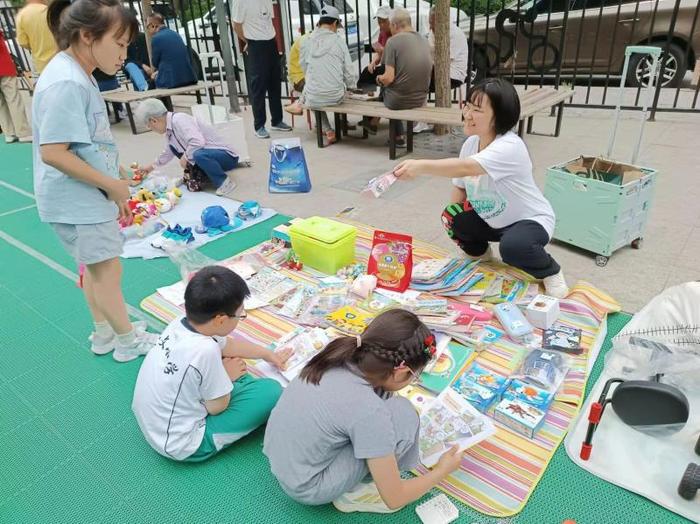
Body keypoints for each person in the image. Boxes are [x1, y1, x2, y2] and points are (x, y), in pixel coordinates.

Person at [35, 0, 158, 362]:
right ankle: (126, 341)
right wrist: (112, 186)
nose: (124, 54)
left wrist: (115, 172)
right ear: (87, 36)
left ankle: (104, 333)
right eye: (119, 44)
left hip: (78, 195)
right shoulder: (67, 82)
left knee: (95, 269)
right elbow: (54, 152)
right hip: (79, 199)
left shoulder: (74, 72)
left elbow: (82, 141)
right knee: (108, 271)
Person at [264, 309, 464, 513]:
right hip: (309, 487)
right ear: (402, 371)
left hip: (281, 461)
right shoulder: (369, 410)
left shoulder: (335, 357)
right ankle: (356, 494)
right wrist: (441, 471)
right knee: (403, 413)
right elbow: (395, 498)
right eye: (416, 375)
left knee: (386, 399)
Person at [392, 78, 569, 298]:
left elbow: (465, 167)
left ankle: (551, 271)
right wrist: (457, 226)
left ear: (499, 117)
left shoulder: (509, 146)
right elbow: (460, 187)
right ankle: (480, 254)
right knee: (452, 216)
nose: (467, 113)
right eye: (467, 105)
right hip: (493, 220)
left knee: (513, 247)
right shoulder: (470, 144)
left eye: (477, 110)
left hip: (529, 220)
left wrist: (420, 166)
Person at [133, 266, 291, 462]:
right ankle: (229, 385)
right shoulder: (204, 351)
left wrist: (267, 354)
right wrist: (227, 377)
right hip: (182, 443)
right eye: (240, 315)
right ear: (221, 320)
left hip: (155, 421)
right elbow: (217, 408)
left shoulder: (181, 323)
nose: (240, 319)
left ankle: (228, 380)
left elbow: (228, 345)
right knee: (271, 392)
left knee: (226, 362)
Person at [135, 98, 239, 196]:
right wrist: (150, 167)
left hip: (226, 156)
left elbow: (198, 142)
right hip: (209, 156)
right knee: (175, 148)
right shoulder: (169, 130)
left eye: (149, 126)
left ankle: (224, 182)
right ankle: (204, 175)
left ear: (154, 120)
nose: (151, 129)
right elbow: (167, 153)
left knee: (196, 154)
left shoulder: (179, 120)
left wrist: (185, 157)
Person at [284, 5, 356, 144]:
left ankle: (325, 127)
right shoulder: (339, 42)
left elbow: (305, 69)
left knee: (314, 92)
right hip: (335, 96)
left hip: (313, 96)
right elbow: (349, 71)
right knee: (328, 89)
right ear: (335, 23)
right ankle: (302, 105)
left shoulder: (306, 41)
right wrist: (351, 87)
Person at [361, 8, 432, 147]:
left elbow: (388, 78)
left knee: (385, 88)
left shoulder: (392, 42)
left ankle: (376, 124)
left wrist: (379, 79)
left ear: (393, 25)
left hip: (398, 101)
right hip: (421, 99)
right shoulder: (424, 40)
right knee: (391, 88)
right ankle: (374, 123)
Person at [232, 0, 292, 139]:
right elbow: (236, 25)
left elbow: (266, 20)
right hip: (255, 43)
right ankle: (259, 126)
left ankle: (277, 120)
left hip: (271, 41)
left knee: (275, 83)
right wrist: (249, 42)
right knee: (258, 86)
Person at [415, 6, 469, 134]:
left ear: (440, 21)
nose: (430, 26)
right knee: (417, 79)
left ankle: (421, 121)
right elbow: (429, 54)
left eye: (432, 23)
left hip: (454, 74)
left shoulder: (454, 33)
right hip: (436, 70)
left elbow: (444, 62)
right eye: (429, 22)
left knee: (420, 82)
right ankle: (420, 120)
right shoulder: (434, 32)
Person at [145, 13, 197, 89]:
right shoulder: (175, 34)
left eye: (147, 27)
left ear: (153, 25)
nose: (148, 31)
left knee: (152, 81)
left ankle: (161, 101)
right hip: (188, 77)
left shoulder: (156, 38)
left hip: (171, 81)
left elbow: (155, 63)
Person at [0, 30, 31, 143]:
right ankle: (23, 132)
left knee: (1, 104)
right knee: (13, 99)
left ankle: (9, 133)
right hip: (3, 65)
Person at [15, 0, 58, 75]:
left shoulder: (21, 15)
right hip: (61, 57)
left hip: (41, 64)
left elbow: (23, 43)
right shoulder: (51, 10)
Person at [357, 5, 392, 89]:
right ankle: (367, 93)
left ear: (390, 20)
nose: (381, 25)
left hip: (393, 67)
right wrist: (373, 62)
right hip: (385, 64)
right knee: (367, 71)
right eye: (379, 22)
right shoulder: (382, 33)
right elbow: (378, 53)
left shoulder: (395, 33)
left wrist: (383, 51)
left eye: (384, 21)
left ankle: (370, 92)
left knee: (378, 72)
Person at [123, 26, 151, 91]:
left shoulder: (144, 37)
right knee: (130, 66)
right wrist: (142, 65)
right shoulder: (125, 41)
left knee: (136, 75)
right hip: (133, 68)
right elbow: (127, 60)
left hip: (145, 70)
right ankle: (144, 88)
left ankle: (143, 90)